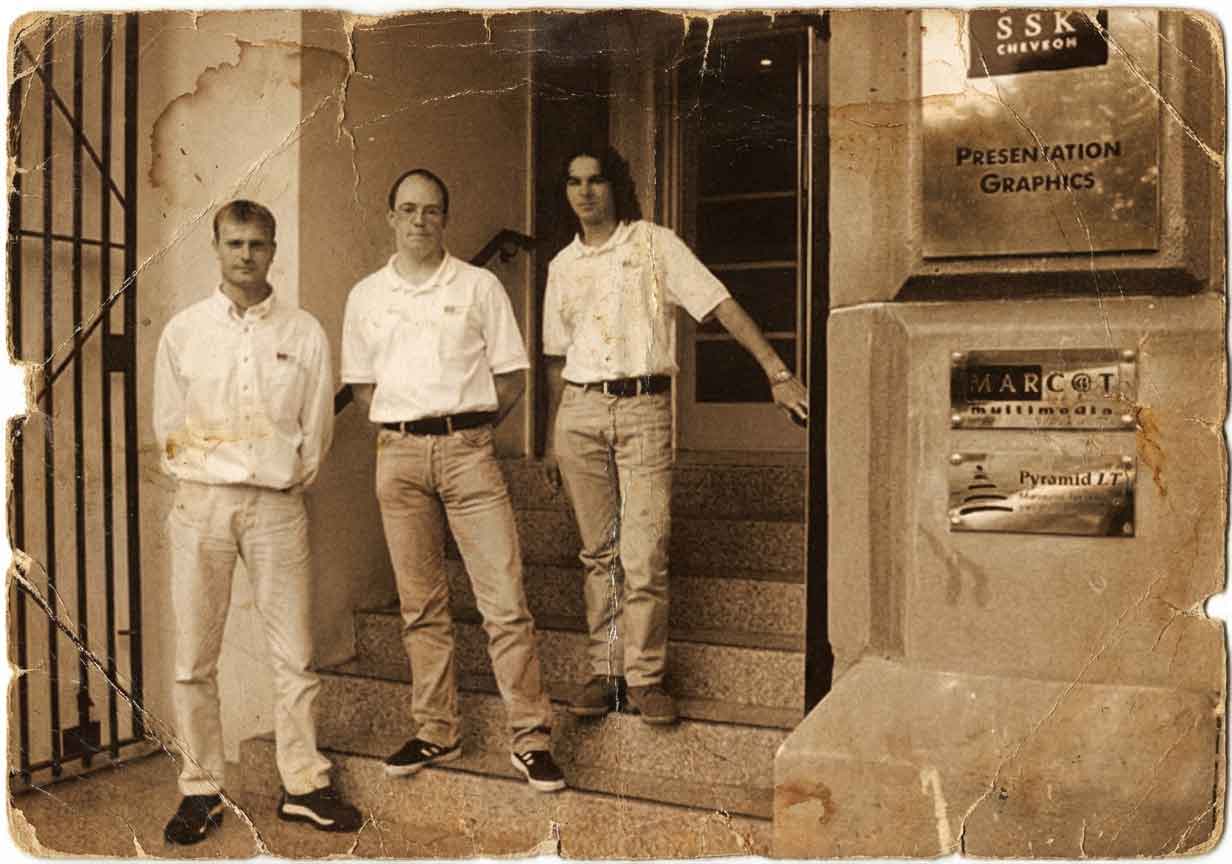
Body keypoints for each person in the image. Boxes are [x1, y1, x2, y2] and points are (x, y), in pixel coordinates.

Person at [542, 145, 809, 725]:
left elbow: (720, 304)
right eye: (574, 182)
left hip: (643, 410)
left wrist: (777, 372)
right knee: (599, 554)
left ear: (616, 186)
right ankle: (606, 672)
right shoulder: (562, 265)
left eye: (596, 180)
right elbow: (557, 360)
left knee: (643, 551)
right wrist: (550, 439)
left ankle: (644, 677)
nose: (585, 192)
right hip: (580, 414)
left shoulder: (653, 244)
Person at [340, 169, 565, 792]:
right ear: (391, 216)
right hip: (399, 459)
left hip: (469, 454)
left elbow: (512, 377)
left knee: (504, 601)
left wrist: (466, 431)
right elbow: (362, 387)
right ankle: (437, 730)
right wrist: (408, 430)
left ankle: (531, 737)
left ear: (445, 218)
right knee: (420, 605)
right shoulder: (366, 296)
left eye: (432, 210)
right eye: (409, 209)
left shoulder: (478, 285)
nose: (420, 220)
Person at [153, 200, 361, 844]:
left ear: (274, 249)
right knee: (193, 657)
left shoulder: (303, 332)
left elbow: (316, 431)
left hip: (276, 507)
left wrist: (282, 477)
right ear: (216, 248)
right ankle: (201, 790)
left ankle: (303, 785)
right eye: (235, 243)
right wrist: (211, 475)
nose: (247, 255)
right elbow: (169, 427)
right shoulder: (184, 332)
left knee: (294, 653)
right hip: (202, 506)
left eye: (258, 244)